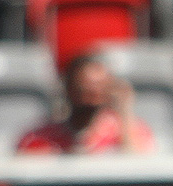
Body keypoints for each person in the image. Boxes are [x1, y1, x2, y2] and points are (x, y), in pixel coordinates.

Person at [17, 54, 155, 154]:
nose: (92, 95)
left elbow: (137, 167)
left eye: (99, 87)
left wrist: (125, 112)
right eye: (83, 88)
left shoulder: (130, 131)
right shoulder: (40, 137)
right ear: (68, 88)